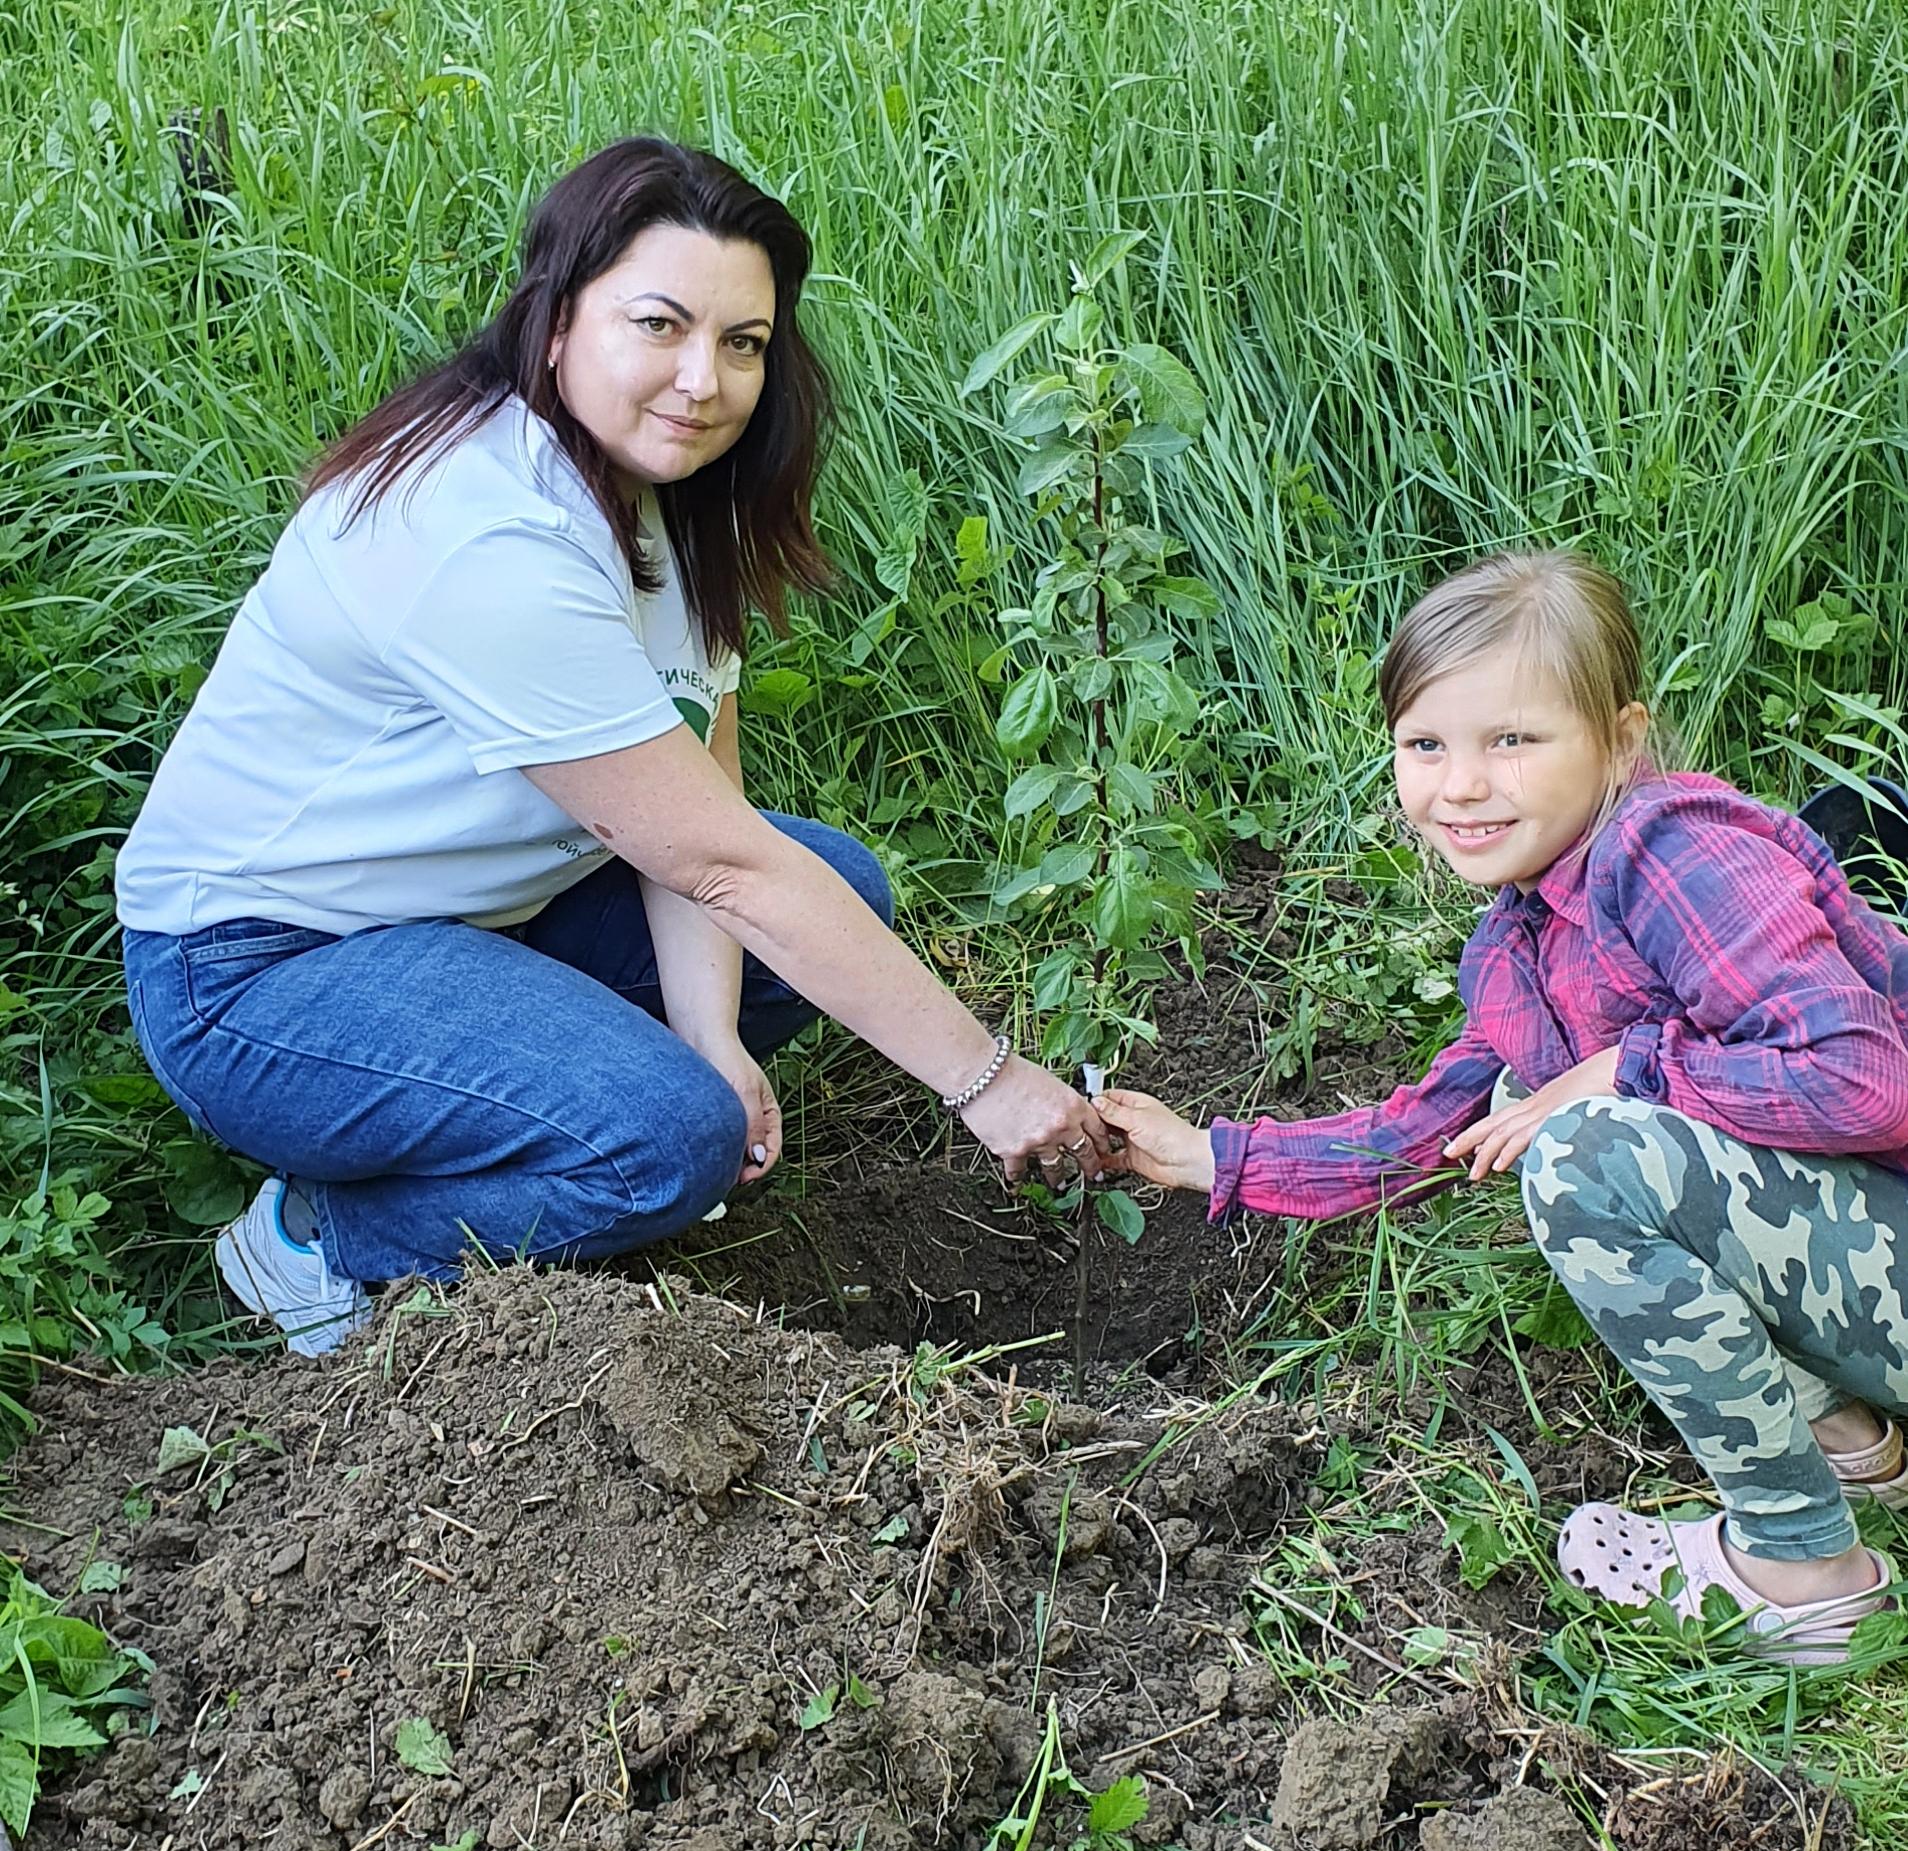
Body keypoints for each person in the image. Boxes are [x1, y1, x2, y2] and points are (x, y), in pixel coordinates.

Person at [116, 138, 1107, 1358]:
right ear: (555, 323)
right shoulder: (487, 533)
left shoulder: (664, 503)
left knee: (838, 888)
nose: (704, 379)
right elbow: (722, 864)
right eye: (660, 324)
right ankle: (322, 1237)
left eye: (744, 342)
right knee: (666, 1142)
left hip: (461, 917)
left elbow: (706, 805)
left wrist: (711, 1030)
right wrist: (987, 1079)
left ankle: (529, 1097)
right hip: (260, 971)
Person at [1097, 550, 1908, 1662]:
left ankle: (1805, 1572)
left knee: (1585, 1154)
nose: (1462, 785)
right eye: (1425, 744)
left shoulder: (1671, 853)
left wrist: (1625, 1066)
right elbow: (1425, 1132)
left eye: (1511, 739)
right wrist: (1203, 1155)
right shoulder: (1518, 942)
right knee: (1559, 1115)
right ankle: (1853, 1445)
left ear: (1620, 740)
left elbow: (1863, 1080)